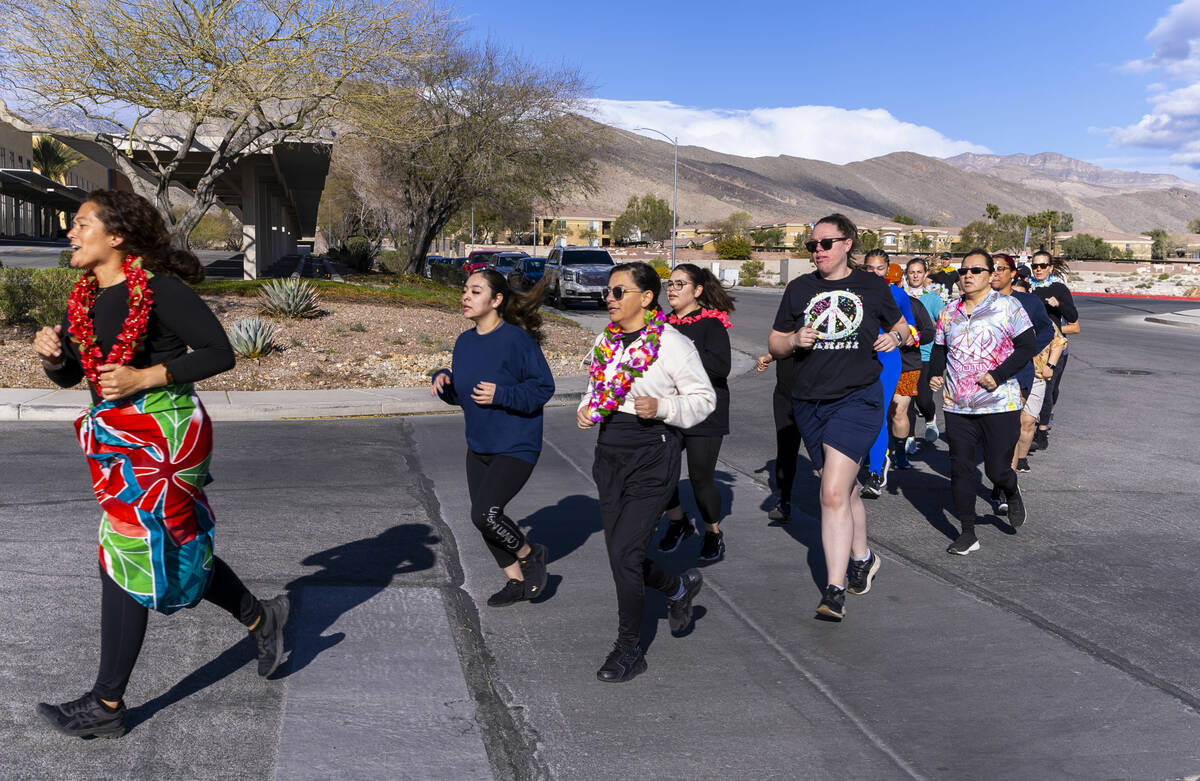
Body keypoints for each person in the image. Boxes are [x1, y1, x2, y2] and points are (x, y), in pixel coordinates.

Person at [31, 190, 288, 739]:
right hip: (117, 436)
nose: (70, 235)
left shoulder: (159, 291)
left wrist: (146, 376)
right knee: (168, 545)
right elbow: (77, 376)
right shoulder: (84, 299)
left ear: (116, 236)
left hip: (166, 436)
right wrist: (55, 358)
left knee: (126, 549)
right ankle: (261, 617)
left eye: (80, 225)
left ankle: (106, 703)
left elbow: (220, 352)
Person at [577, 262, 715, 682]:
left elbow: (704, 399)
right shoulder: (607, 338)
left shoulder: (672, 344)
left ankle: (629, 649)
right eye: (609, 291)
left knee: (624, 554)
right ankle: (676, 588)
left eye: (619, 291)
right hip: (609, 453)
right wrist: (587, 406)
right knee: (624, 555)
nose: (610, 298)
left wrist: (664, 408)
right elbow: (598, 384)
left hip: (652, 453)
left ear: (645, 297)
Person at [768, 214, 907, 621]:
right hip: (809, 401)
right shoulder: (799, 289)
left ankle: (834, 588)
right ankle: (863, 557)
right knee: (843, 491)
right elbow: (775, 342)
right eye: (813, 245)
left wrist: (894, 337)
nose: (818, 251)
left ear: (848, 244)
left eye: (826, 243)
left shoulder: (870, 285)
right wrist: (792, 340)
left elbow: (902, 326)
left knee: (830, 492)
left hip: (857, 399)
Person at [432, 269, 555, 607]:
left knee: (485, 514)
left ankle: (532, 555)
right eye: (465, 291)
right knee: (485, 520)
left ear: (496, 300)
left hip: (516, 444)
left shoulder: (516, 340)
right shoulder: (464, 342)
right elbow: (464, 394)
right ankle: (515, 582)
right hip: (480, 445)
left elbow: (543, 387)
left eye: (475, 291)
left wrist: (503, 394)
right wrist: (445, 381)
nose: (465, 297)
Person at [929, 249, 1038, 555]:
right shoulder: (948, 312)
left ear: (991, 276)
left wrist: (999, 375)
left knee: (996, 469)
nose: (967, 275)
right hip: (957, 404)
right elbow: (939, 349)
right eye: (963, 271)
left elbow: (1027, 345)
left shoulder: (1009, 307)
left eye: (976, 270)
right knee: (960, 468)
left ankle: (1010, 488)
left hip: (999, 403)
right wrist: (935, 374)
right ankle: (967, 531)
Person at [658, 263, 736, 561]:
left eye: (680, 284)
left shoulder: (711, 324)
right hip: (669, 410)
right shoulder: (661, 324)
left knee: (700, 478)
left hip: (705, 411)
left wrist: (684, 350)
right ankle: (678, 523)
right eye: (670, 283)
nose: (672, 289)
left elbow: (721, 367)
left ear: (697, 290)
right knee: (659, 473)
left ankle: (713, 532)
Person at [860, 250, 915, 496]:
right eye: (869, 268)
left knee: (877, 411)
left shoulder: (898, 295)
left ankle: (875, 469)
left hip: (886, 359)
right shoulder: (854, 292)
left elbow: (911, 330)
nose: (874, 273)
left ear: (888, 269)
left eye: (879, 268)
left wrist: (893, 337)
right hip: (856, 359)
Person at [1008, 274, 1066, 474]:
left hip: (1037, 372)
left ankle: (1022, 457)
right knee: (1013, 420)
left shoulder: (1041, 319)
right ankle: (1011, 459)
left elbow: (1058, 341)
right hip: (1013, 371)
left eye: (1022, 296)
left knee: (1028, 419)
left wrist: (1050, 365)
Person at [1028, 250, 1078, 450]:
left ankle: (1042, 432)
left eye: (1042, 266)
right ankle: (1026, 427)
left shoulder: (1058, 288)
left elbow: (1073, 316)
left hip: (1054, 347)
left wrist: (1059, 305)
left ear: (1050, 268)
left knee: (1049, 389)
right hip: (1030, 345)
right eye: (1035, 266)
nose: (1038, 269)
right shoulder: (1026, 287)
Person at [887, 262, 935, 470]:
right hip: (875, 365)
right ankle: (878, 454)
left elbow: (929, 331)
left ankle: (900, 454)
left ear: (900, 282)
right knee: (879, 412)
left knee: (899, 411)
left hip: (908, 364)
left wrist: (914, 338)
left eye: (892, 283)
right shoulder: (869, 305)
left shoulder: (914, 304)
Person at [903, 257, 946, 448]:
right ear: (906, 275)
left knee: (923, 398)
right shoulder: (900, 296)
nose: (915, 275)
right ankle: (909, 438)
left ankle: (930, 418)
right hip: (904, 355)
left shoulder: (933, 298)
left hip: (926, 354)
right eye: (912, 272)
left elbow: (944, 322)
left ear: (925, 274)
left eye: (919, 272)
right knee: (906, 400)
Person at [755, 350, 800, 524]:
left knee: (823, 453)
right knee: (786, 448)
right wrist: (769, 356)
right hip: (785, 395)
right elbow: (782, 340)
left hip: (813, 397)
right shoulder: (787, 322)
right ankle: (783, 502)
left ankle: (833, 505)